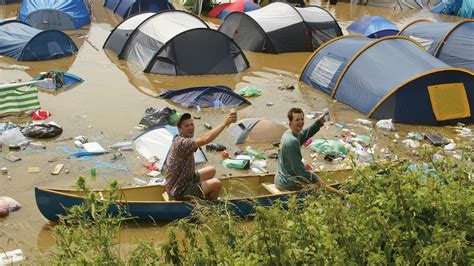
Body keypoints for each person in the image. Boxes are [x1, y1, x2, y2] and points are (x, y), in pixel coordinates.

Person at [165, 110, 237, 201]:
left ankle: (202, 196)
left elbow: (203, 138)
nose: (190, 128)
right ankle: (210, 207)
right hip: (178, 192)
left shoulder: (180, 139)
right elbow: (204, 140)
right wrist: (224, 123)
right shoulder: (182, 143)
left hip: (185, 181)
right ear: (180, 129)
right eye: (187, 126)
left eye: (192, 124)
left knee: (211, 170)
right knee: (216, 183)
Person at [275, 107, 327, 191]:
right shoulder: (291, 142)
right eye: (297, 120)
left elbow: (303, 134)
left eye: (302, 119)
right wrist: (316, 179)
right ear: (290, 122)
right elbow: (298, 169)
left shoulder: (288, 133)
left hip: (280, 179)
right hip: (288, 184)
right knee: (316, 186)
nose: (300, 122)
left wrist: (319, 122)